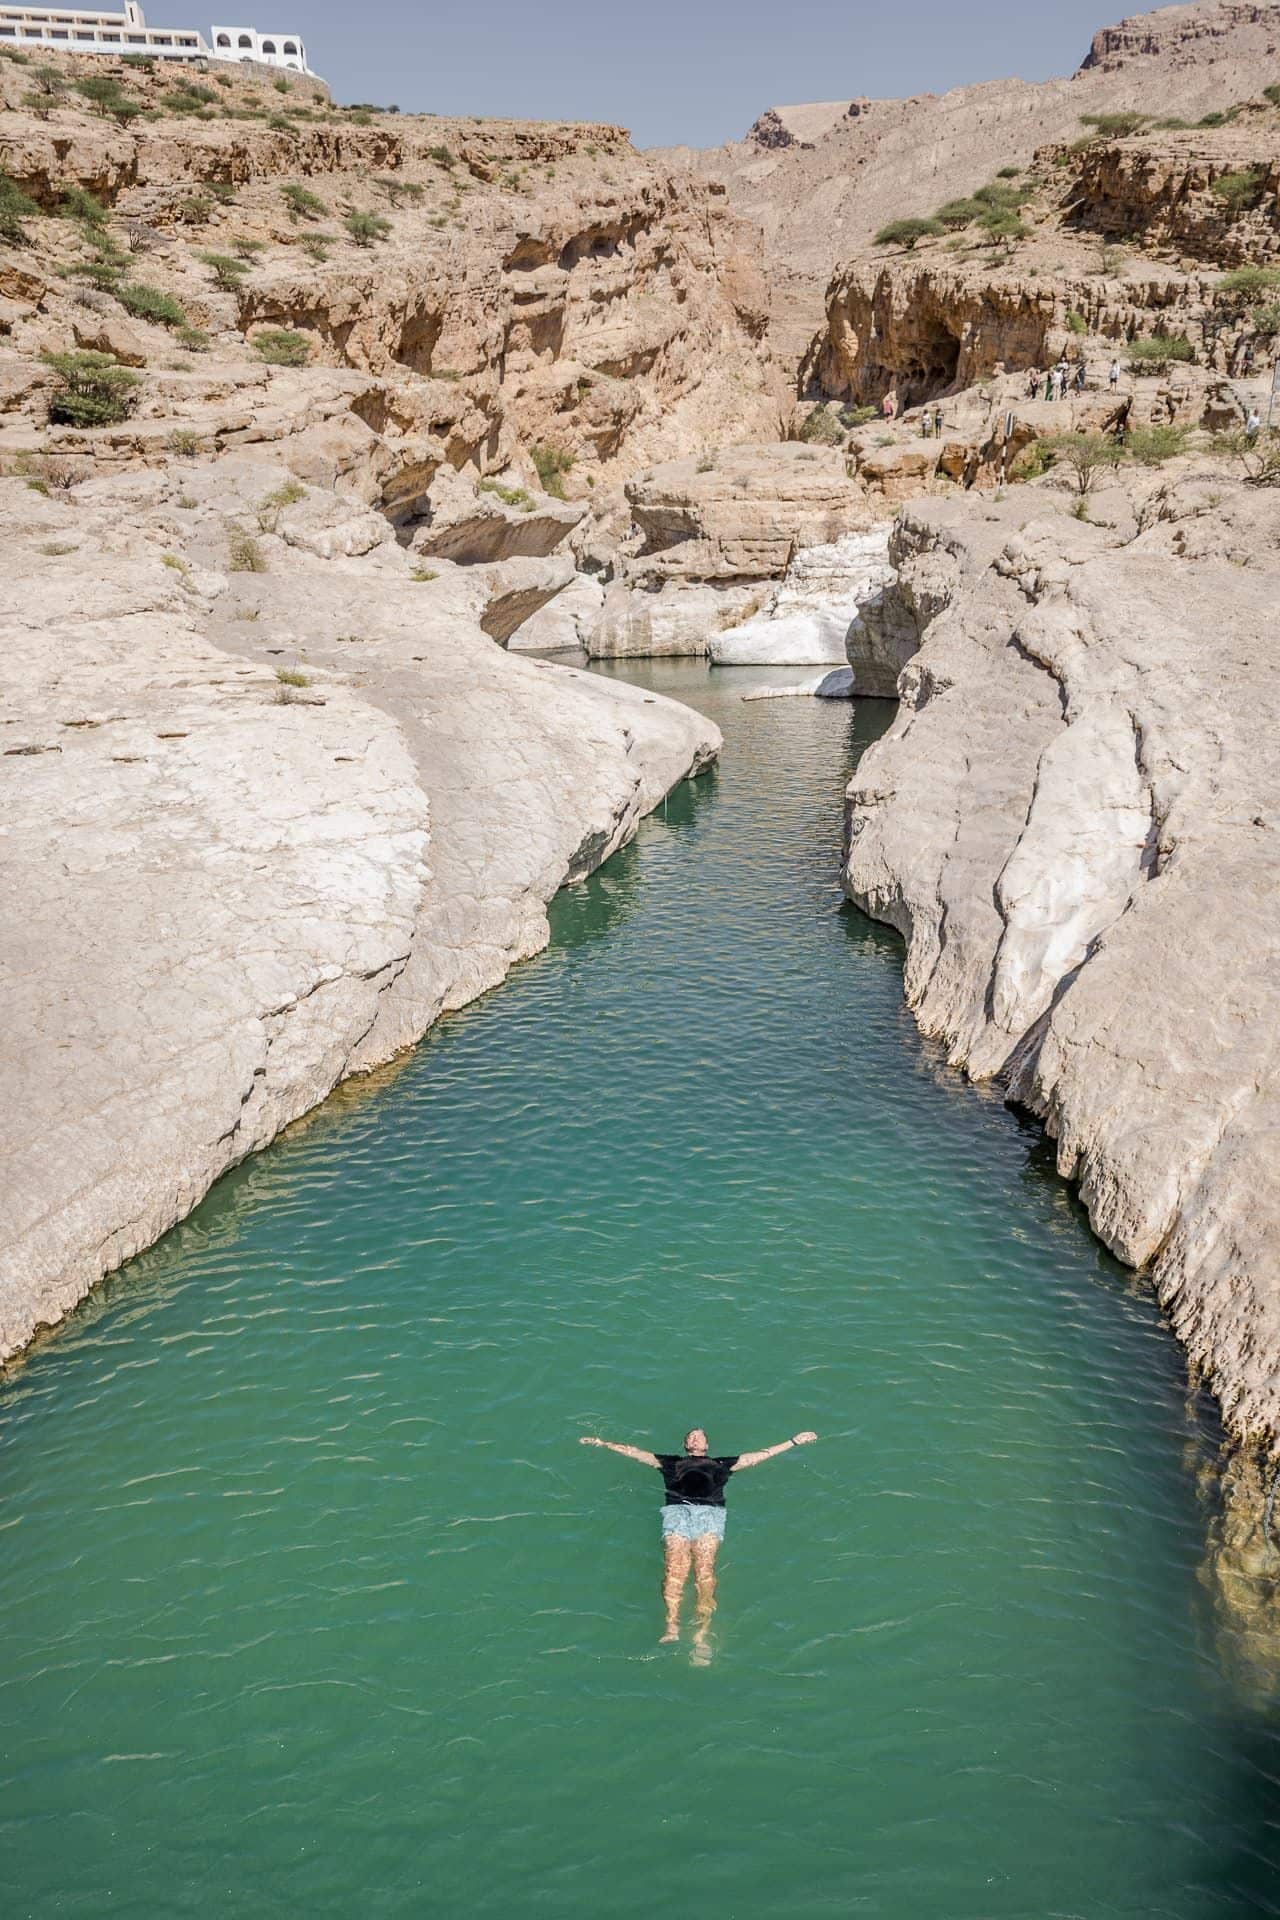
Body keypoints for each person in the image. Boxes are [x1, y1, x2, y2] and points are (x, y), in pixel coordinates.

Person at [580, 1426, 818, 1654]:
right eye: (691, 1437)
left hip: (709, 1515)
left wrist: (793, 1441)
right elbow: (637, 1453)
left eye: (699, 1436)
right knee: (675, 1568)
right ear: (685, 1444)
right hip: (677, 1513)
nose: (695, 1438)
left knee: (704, 1571)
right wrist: (603, 1443)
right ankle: (671, 1626)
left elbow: (757, 1457)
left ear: (706, 1444)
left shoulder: (721, 1464)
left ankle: (701, 1634)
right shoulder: (671, 1463)